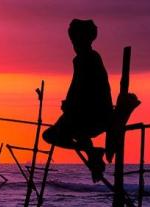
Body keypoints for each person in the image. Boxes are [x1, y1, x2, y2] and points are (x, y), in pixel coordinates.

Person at [42, 19, 113, 182]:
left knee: (52, 135)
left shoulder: (87, 59)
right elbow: (77, 88)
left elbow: (81, 87)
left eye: (75, 40)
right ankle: (91, 152)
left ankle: (91, 152)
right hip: (86, 113)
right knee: (56, 134)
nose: (74, 44)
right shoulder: (88, 58)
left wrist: (70, 104)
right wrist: (70, 103)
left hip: (91, 115)